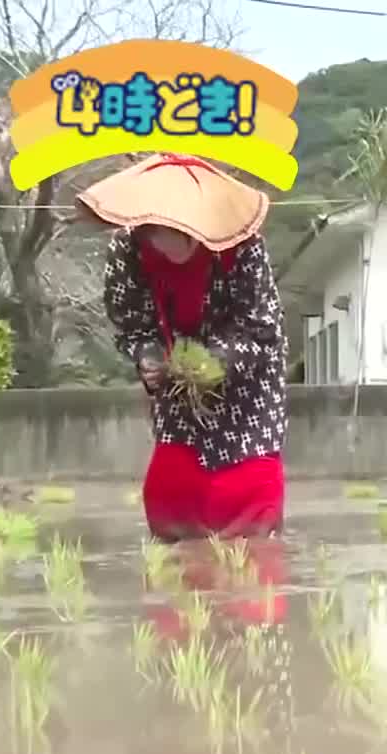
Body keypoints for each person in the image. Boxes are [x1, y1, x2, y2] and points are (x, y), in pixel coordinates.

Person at [85, 154, 288, 541]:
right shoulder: (127, 250)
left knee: (249, 492)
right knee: (172, 491)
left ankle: (250, 560)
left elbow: (260, 329)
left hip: (247, 383)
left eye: (181, 230)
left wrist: (211, 363)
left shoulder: (243, 245)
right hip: (175, 379)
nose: (169, 243)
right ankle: (182, 564)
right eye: (157, 232)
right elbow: (131, 324)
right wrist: (148, 357)